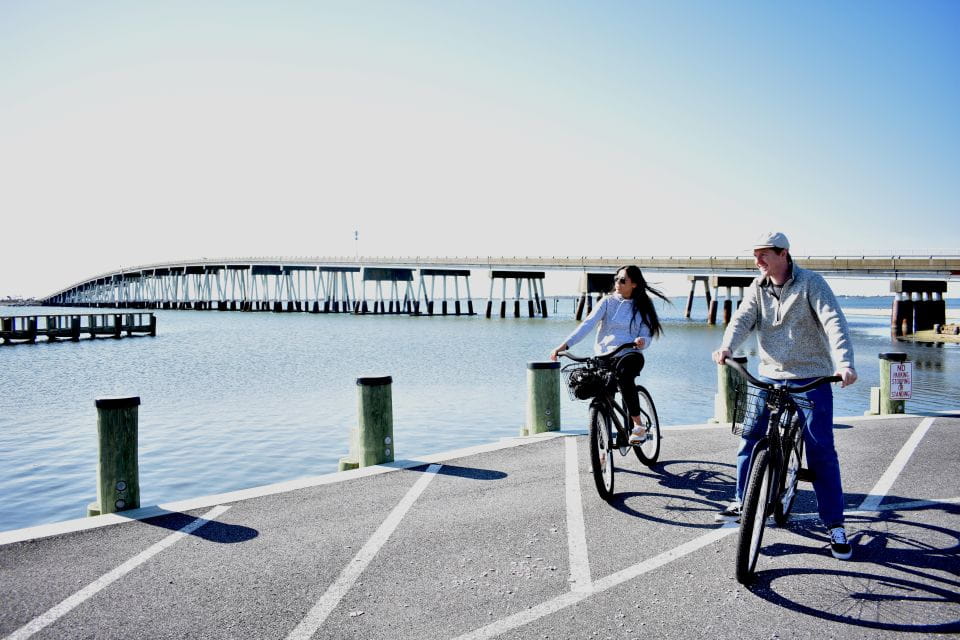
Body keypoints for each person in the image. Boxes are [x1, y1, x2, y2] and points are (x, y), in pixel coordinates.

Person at [711, 231, 858, 560]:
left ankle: (835, 524)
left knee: (821, 451)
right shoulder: (757, 286)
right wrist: (726, 347)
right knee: (749, 437)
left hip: (812, 377)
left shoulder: (811, 283)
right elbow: (742, 319)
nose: (758, 261)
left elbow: (834, 321)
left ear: (784, 254)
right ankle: (741, 499)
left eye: (763, 255)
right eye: (755, 255)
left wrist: (844, 364)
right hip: (770, 374)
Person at [550, 265, 669, 444]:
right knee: (602, 394)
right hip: (605, 355)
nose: (617, 283)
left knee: (624, 377)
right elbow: (587, 325)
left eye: (622, 280)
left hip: (630, 353)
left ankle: (638, 426)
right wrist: (564, 346)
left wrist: (643, 341)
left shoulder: (642, 305)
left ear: (634, 284)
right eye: (616, 279)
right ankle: (601, 456)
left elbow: (646, 332)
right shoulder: (607, 302)